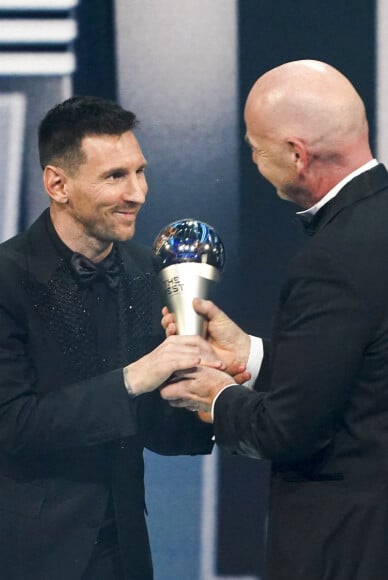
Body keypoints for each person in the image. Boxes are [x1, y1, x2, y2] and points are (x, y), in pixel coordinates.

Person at [0, 96, 228, 580]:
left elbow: (158, 431)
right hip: (18, 555)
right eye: (116, 176)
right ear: (58, 184)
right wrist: (135, 377)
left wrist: (204, 393)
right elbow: (10, 427)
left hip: (120, 552)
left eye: (140, 172)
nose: (138, 193)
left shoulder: (144, 272)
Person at [160, 59, 388, 580]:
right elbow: (365, 376)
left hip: (347, 548)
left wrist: (214, 397)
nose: (255, 162)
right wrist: (253, 356)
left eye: (256, 148)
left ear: (296, 154)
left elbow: (292, 431)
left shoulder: (332, 258)